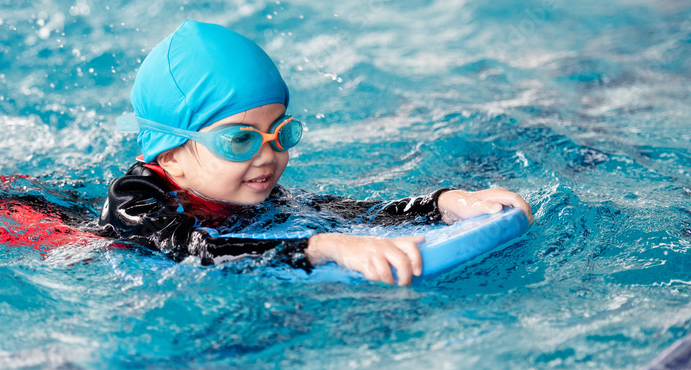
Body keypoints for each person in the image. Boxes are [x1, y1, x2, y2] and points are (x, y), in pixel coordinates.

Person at [100, 20, 532, 286]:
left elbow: (342, 212)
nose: (268, 156)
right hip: (55, 238)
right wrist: (320, 249)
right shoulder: (134, 202)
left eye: (279, 133)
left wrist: (442, 203)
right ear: (170, 155)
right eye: (239, 141)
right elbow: (195, 251)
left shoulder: (246, 185)